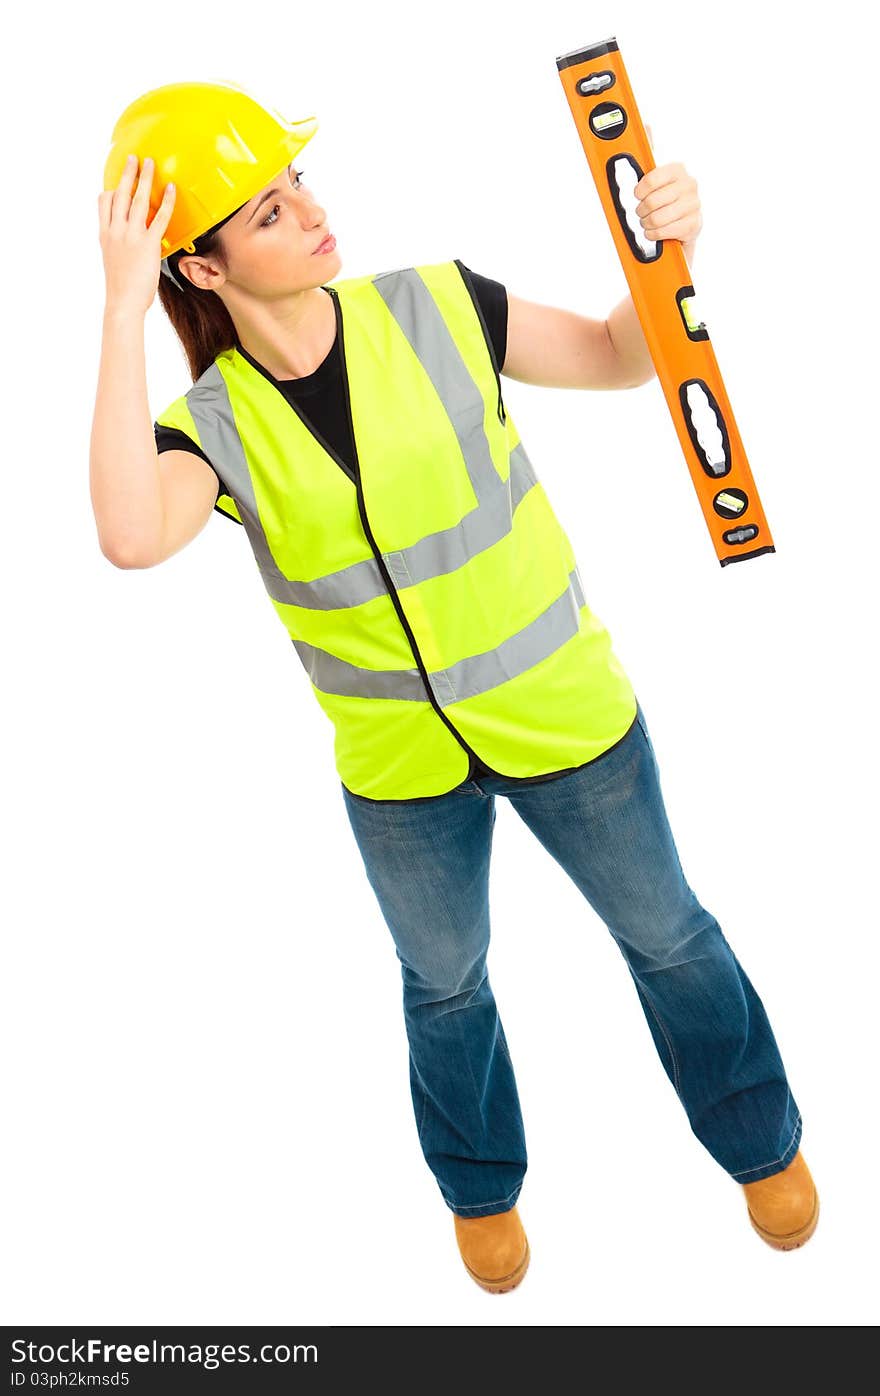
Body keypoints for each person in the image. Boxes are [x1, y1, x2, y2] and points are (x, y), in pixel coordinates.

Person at [91, 81, 818, 1294]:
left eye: (301, 186)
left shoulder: (436, 305)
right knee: (444, 984)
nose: (313, 216)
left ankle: (759, 1142)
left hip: (567, 717)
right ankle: (480, 1187)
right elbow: (127, 532)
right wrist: (121, 306)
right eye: (269, 213)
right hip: (400, 776)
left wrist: (666, 246)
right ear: (203, 271)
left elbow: (613, 356)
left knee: (669, 938)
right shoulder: (209, 426)